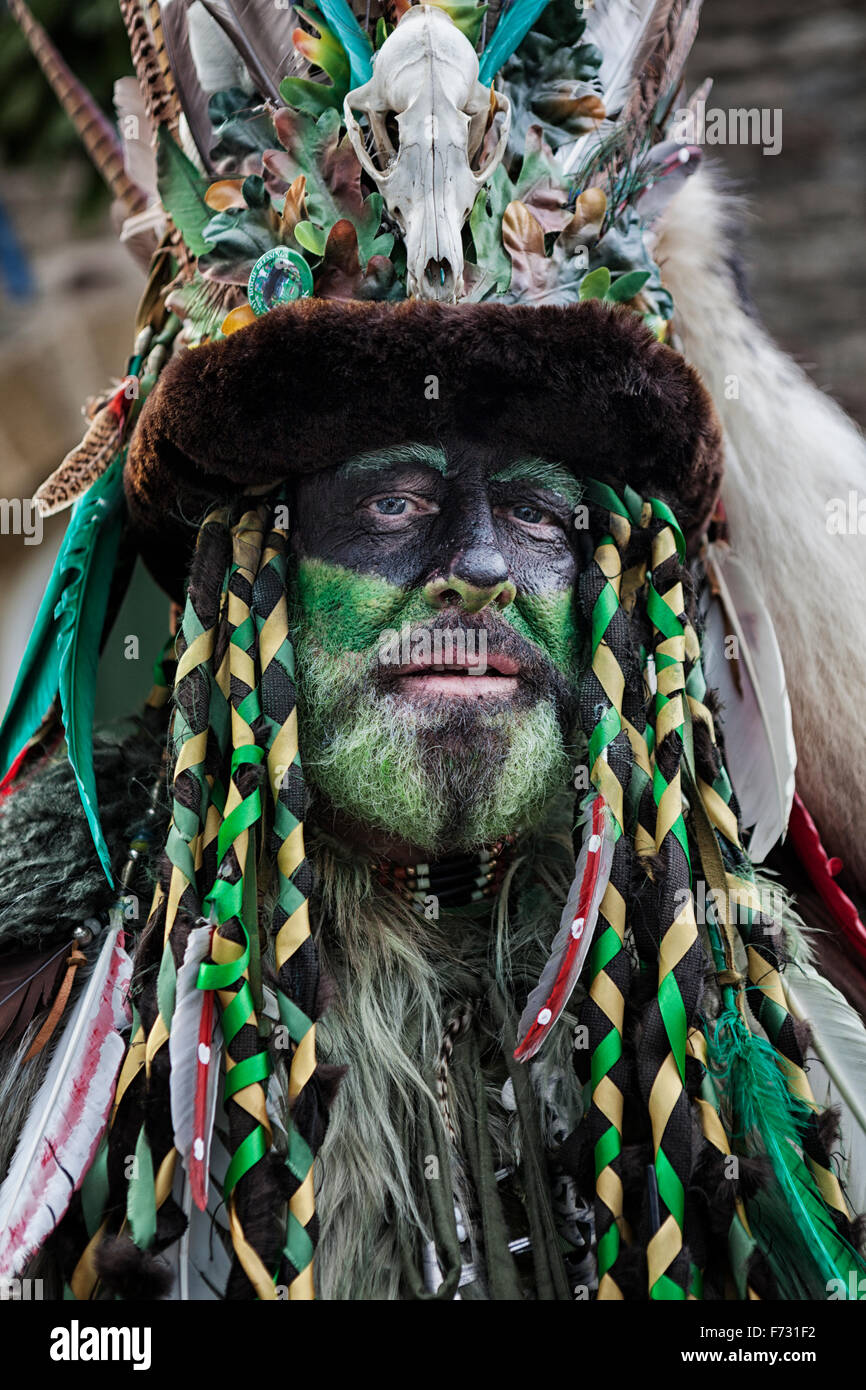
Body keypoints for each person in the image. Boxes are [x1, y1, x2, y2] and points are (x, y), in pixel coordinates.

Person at [1, 0, 865, 1303]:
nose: (472, 562)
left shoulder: (795, 1028)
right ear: (259, 587)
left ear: (616, 591)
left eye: (529, 509)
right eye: (396, 503)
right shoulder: (53, 1041)